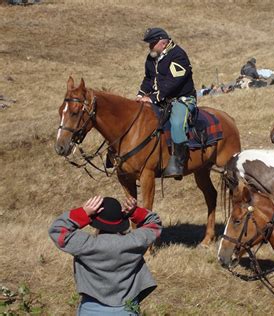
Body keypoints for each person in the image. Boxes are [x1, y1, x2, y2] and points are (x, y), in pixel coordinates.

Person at [49, 196, 162, 315]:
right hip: (127, 309)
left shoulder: (86, 245)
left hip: (91, 309)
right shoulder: (134, 242)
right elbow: (154, 223)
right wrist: (135, 211)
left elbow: (57, 229)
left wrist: (83, 212)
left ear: (95, 222)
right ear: (120, 221)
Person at [136, 27, 197, 179]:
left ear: (163, 43)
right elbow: (148, 79)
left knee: (176, 123)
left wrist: (153, 98)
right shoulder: (151, 58)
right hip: (161, 99)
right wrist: (141, 94)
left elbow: (173, 82)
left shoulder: (179, 55)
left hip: (181, 99)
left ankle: (178, 162)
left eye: (152, 43)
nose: (150, 47)